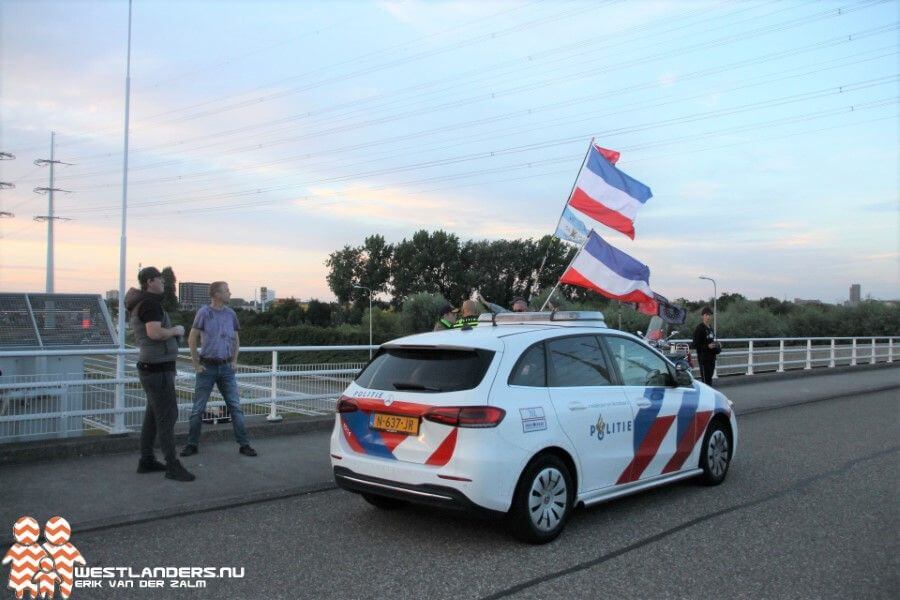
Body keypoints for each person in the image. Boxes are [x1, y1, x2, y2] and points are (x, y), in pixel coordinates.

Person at [125, 266, 195, 481]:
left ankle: (146, 460)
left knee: (153, 417)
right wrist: (176, 331)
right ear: (149, 282)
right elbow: (154, 333)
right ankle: (172, 465)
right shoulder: (150, 303)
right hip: (158, 369)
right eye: (160, 280)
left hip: (152, 367)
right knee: (167, 416)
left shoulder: (142, 302)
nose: (163, 283)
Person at [181, 281, 256, 458]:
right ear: (216, 294)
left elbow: (236, 340)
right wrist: (195, 363)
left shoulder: (231, 314)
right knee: (198, 409)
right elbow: (192, 338)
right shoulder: (204, 313)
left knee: (235, 407)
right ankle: (192, 444)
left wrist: (235, 360)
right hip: (207, 367)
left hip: (226, 367)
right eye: (226, 291)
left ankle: (244, 444)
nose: (230, 293)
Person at [692, 306, 720, 386]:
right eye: (706, 315)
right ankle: (705, 397)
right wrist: (707, 346)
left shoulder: (710, 328)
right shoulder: (699, 329)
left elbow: (711, 340)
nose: (708, 317)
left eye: (709, 315)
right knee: (705, 381)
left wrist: (717, 344)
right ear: (702, 316)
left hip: (712, 358)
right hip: (704, 359)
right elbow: (695, 344)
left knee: (709, 379)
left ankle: (710, 397)